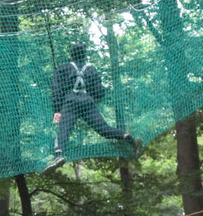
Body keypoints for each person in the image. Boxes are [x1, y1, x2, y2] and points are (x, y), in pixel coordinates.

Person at [45, 43, 140, 173]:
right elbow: (99, 92)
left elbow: (57, 90)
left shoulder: (62, 68)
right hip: (88, 102)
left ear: (71, 54)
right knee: (104, 129)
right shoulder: (91, 69)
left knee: (63, 130)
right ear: (84, 55)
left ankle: (58, 155)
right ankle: (128, 137)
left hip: (70, 102)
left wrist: (57, 110)